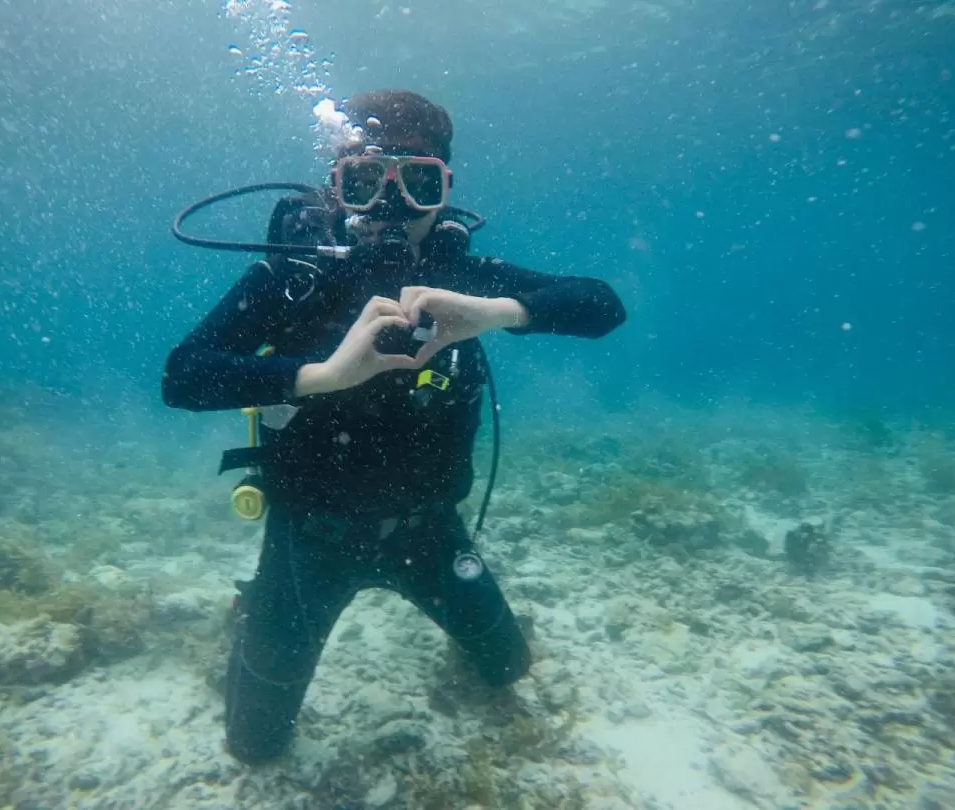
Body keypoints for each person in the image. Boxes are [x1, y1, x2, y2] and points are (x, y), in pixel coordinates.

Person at [161, 89, 627, 765]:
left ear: (443, 189)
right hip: (306, 538)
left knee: (508, 670)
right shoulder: (293, 277)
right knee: (255, 748)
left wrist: (496, 312)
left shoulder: (458, 273)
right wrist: (322, 376)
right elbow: (183, 376)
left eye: (416, 184)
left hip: (430, 530)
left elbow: (602, 305)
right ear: (335, 186)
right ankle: (252, 612)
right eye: (362, 182)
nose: (389, 207)